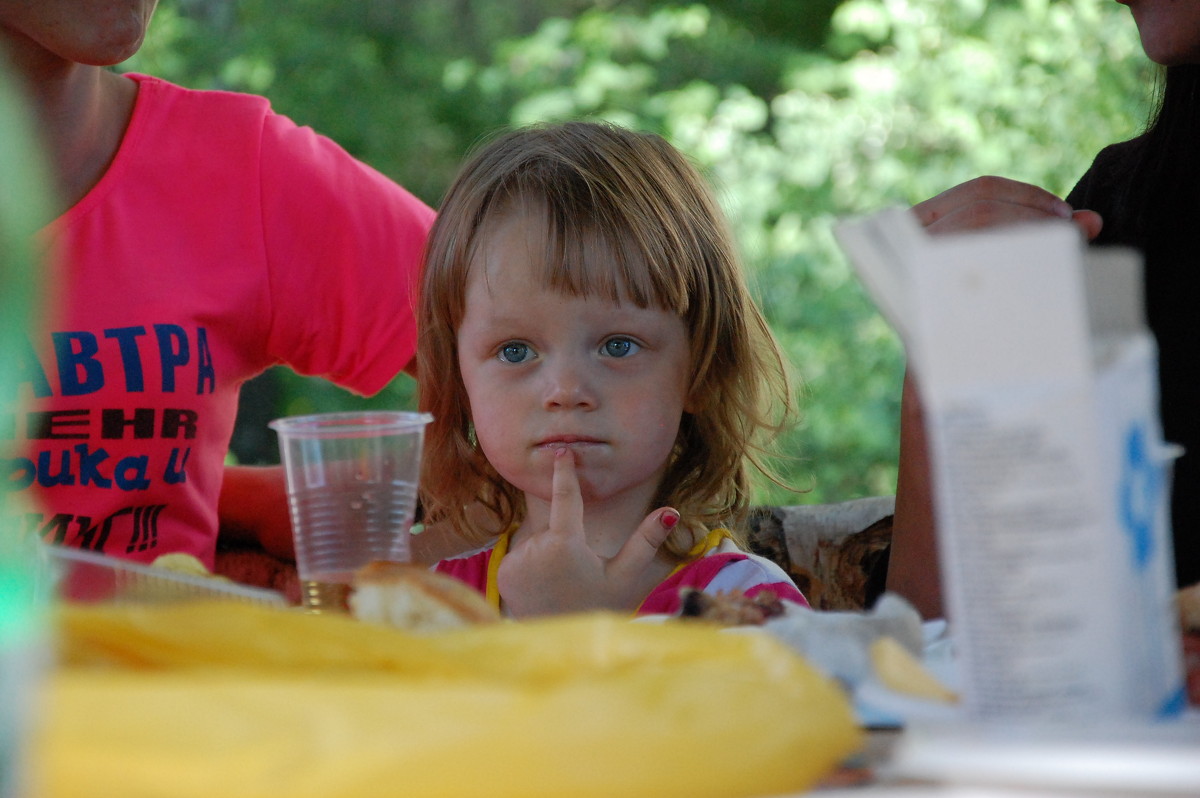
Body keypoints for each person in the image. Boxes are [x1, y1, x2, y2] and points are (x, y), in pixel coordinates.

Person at [0, 1, 435, 572]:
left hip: (176, 659)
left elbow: (559, 362)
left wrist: (254, 505)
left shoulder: (240, 170)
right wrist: (237, 504)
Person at [417, 121, 807, 617]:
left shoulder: (750, 606)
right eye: (515, 351)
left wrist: (577, 631)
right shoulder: (435, 608)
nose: (565, 390)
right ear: (460, 380)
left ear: (703, 370)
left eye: (618, 345)